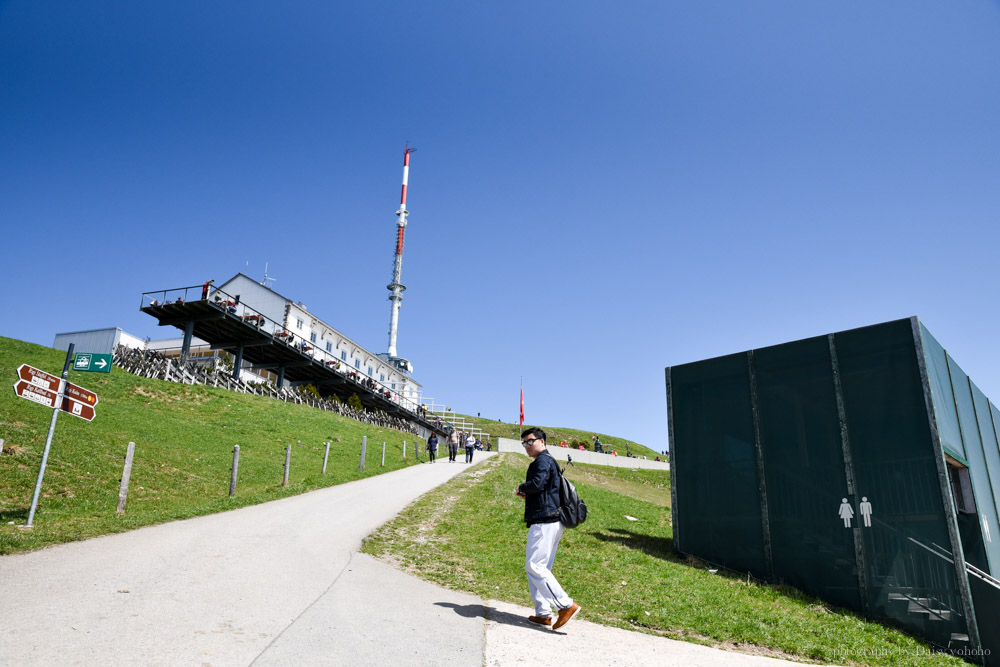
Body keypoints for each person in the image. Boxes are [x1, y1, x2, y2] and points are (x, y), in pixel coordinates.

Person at [514, 427, 580, 630]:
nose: (527, 446)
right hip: (549, 518)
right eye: (524, 443)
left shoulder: (543, 460)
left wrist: (522, 488)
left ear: (542, 441)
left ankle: (566, 605)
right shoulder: (546, 461)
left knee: (535, 566)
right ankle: (543, 613)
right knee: (540, 567)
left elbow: (537, 483)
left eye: (530, 441)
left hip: (545, 520)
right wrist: (530, 493)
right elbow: (543, 488)